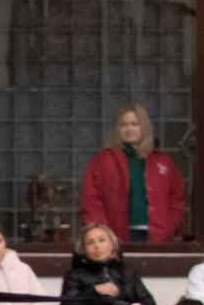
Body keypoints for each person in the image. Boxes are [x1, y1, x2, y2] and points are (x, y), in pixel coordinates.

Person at [79, 104, 187, 245]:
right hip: (115, 237)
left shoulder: (162, 161)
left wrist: (170, 225)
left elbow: (177, 196)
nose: (129, 129)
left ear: (144, 127)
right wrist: (102, 233)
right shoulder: (103, 161)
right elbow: (91, 200)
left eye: (134, 124)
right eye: (123, 125)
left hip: (156, 237)